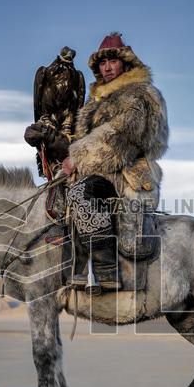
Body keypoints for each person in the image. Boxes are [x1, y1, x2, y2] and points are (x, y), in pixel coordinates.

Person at [25, 32, 169, 291]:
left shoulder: (139, 94)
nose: (107, 67)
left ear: (125, 63)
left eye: (113, 61)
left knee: (81, 193)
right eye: (103, 63)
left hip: (127, 172)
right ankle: (69, 267)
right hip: (97, 171)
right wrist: (52, 142)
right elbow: (80, 141)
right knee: (53, 197)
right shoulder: (96, 101)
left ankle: (105, 271)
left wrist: (77, 158)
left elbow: (118, 138)